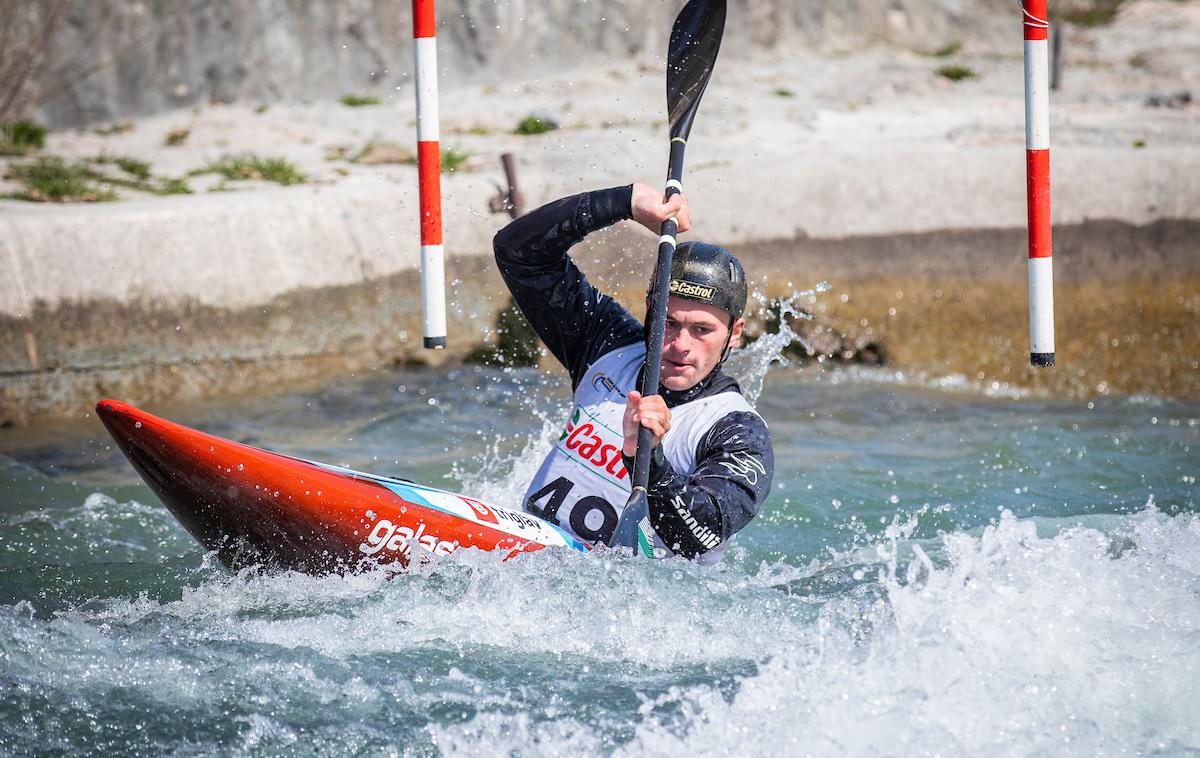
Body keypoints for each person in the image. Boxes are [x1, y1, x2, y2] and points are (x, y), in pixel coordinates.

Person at [493, 182, 774, 562]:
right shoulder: (607, 345)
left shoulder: (737, 432)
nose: (680, 344)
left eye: (702, 330)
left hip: (631, 608)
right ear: (649, 310)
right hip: (529, 567)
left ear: (734, 334)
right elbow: (519, 253)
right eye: (669, 322)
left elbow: (698, 537)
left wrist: (649, 459)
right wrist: (621, 202)